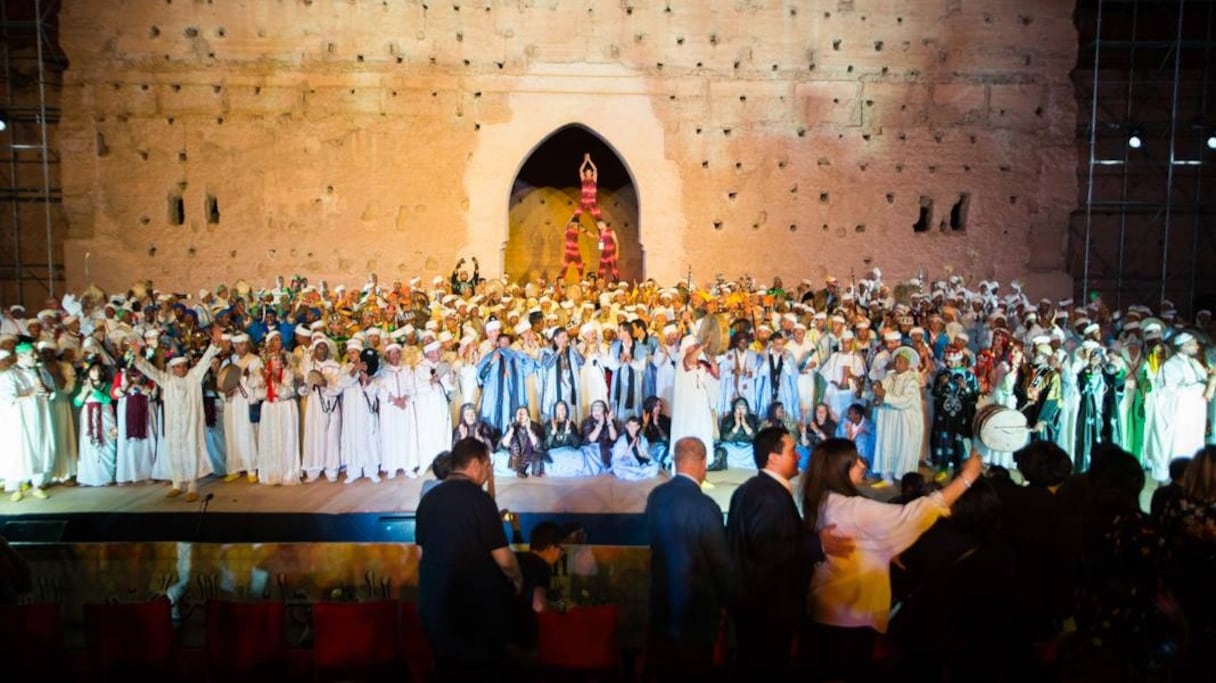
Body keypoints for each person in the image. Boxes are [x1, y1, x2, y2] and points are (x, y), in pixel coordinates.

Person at [801, 438, 983, 682]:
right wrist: (966, 479)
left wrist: (882, 549)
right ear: (841, 469)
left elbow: (860, 538)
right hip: (847, 614)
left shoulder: (825, 499)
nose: (863, 465)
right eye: (856, 462)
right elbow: (912, 515)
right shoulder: (852, 508)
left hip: (829, 606)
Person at [726, 426, 850, 680]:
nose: (799, 457)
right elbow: (769, 551)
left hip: (755, 609)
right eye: (793, 451)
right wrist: (817, 544)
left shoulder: (752, 490)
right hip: (767, 613)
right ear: (773, 458)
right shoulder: (768, 497)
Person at [416, 437, 522, 680]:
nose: (488, 472)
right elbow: (504, 559)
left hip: (434, 610)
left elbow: (421, 556)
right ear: (475, 464)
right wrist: (517, 578)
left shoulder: (428, 501)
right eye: (488, 465)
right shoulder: (479, 500)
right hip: (472, 615)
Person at [644, 437, 735, 681]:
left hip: (661, 608)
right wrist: (730, 601)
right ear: (704, 462)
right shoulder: (706, 507)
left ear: (675, 460)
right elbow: (720, 563)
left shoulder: (656, 497)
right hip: (697, 614)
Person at [128, 326, 224, 499]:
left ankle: (193, 487)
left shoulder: (194, 377)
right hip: (174, 425)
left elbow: (204, 361)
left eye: (183, 367)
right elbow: (150, 371)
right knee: (174, 450)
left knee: (191, 451)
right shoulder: (167, 380)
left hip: (191, 424)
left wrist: (214, 344)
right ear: (172, 368)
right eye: (177, 367)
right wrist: (138, 356)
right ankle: (177, 483)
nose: (181, 370)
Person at [1, 343, 55, 501]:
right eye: (32, 354)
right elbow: (7, 398)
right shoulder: (9, 375)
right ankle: (17, 487)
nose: (36, 357)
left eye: (35, 354)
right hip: (20, 419)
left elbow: (51, 391)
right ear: (21, 356)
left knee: (41, 447)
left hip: (41, 415)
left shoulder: (41, 371)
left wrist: (47, 392)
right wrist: (31, 394)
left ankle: (37, 485)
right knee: (21, 449)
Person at [510, 521, 566, 656]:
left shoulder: (517, 558)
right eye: (561, 550)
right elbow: (539, 606)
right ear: (553, 547)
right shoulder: (542, 566)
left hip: (504, 635)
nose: (560, 555)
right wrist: (560, 613)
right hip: (524, 640)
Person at [872, 346, 925, 484]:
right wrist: (875, 398)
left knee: (904, 449)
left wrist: (884, 395)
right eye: (896, 361)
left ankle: (905, 481)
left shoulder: (912, 380)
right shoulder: (889, 376)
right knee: (887, 445)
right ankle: (887, 477)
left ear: (908, 364)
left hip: (905, 423)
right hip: (889, 421)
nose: (897, 364)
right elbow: (879, 392)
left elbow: (905, 401)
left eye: (900, 361)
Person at [670, 336, 719, 471]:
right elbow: (690, 360)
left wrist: (710, 357)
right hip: (687, 409)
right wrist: (703, 345)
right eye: (693, 347)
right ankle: (684, 472)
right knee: (688, 438)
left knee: (703, 435)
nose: (696, 349)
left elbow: (716, 374)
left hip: (701, 407)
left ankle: (701, 472)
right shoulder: (683, 362)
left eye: (696, 347)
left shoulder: (702, 364)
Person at [298, 338, 343, 482]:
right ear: (314, 350)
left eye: (324, 347)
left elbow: (338, 388)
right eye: (319, 347)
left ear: (328, 350)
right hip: (314, 405)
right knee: (314, 435)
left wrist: (324, 384)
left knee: (331, 435)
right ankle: (313, 469)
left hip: (330, 404)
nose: (321, 350)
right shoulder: (308, 366)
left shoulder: (335, 366)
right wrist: (303, 385)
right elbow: (304, 391)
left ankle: (331, 469)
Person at [73, 360, 117, 487]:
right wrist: (85, 391)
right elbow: (77, 402)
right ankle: (88, 477)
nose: (96, 372)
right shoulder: (83, 385)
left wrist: (94, 391)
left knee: (107, 442)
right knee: (88, 444)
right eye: (93, 370)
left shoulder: (107, 384)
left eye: (98, 370)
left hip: (104, 415)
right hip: (88, 417)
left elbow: (107, 399)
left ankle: (106, 476)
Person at [611, 415, 660, 480]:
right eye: (630, 426)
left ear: (638, 427)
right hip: (627, 462)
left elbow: (644, 455)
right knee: (616, 467)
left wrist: (638, 446)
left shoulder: (642, 439)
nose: (632, 428)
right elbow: (619, 456)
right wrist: (631, 445)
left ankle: (636, 473)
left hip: (639, 463)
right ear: (626, 426)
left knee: (655, 466)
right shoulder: (622, 439)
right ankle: (638, 473)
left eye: (634, 426)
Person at [502, 405, 545, 478]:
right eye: (519, 413)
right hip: (517, 451)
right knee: (512, 440)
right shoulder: (512, 426)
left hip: (532, 451)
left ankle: (524, 467)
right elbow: (505, 444)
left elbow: (538, 446)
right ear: (516, 416)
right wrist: (510, 432)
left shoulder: (535, 426)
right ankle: (518, 466)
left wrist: (529, 430)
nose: (521, 415)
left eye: (523, 413)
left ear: (528, 416)